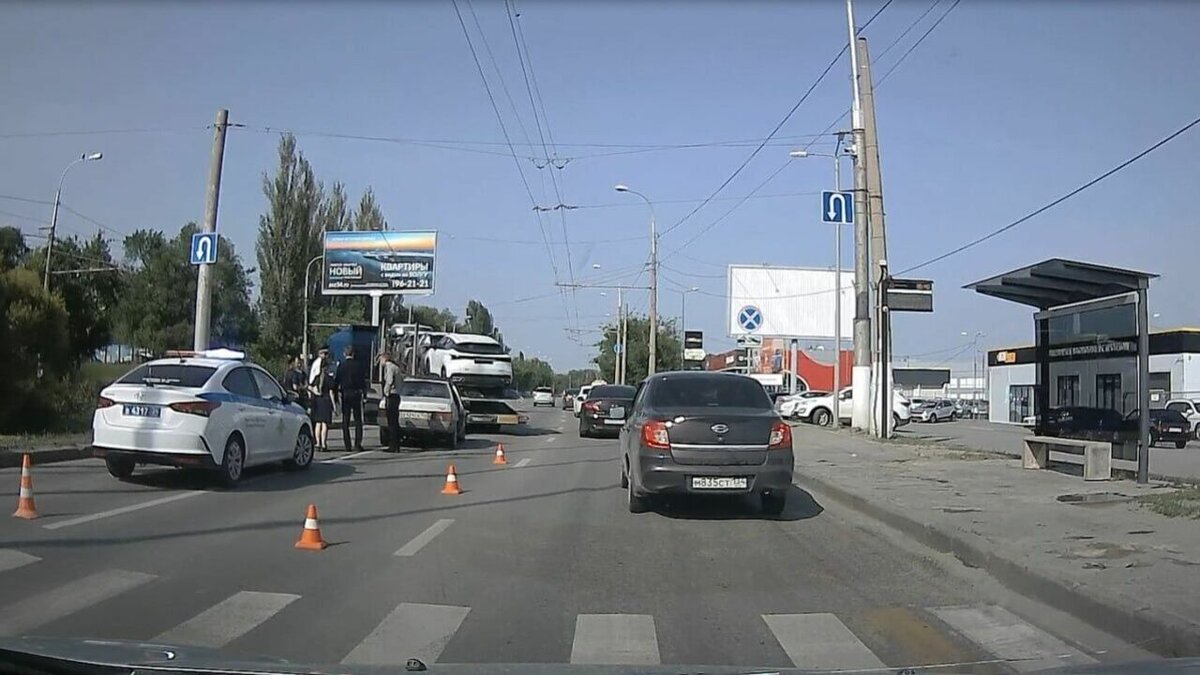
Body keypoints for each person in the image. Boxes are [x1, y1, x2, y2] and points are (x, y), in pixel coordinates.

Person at [334, 344, 368, 452]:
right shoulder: (359, 366)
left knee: (346, 420)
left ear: (345, 354)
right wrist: (364, 394)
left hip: (345, 394)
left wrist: (336, 396)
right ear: (353, 354)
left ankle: (347, 444)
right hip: (356, 393)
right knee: (358, 420)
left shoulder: (341, 366)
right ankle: (358, 443)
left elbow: (336, 382)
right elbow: (363, 382)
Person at [308, 351, 335, 451]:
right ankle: (324, 444)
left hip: (318, 401)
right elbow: (331, 393)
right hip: (326, 401)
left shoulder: (317, 377)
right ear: (326, 368)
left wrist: (315, 392)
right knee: (324, 424)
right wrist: (334, 406)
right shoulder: (329, 379)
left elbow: (310, 386)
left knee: (318, 423)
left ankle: (317, 443)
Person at [378, 351, 402, 453]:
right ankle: (396, 445)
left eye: (381, 359)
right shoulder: (396, 367)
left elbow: (389, 380)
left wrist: (386, 392)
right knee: (395, 422)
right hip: (397, 395)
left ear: (385, 358)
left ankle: (393, 446)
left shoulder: (389, 367)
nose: (380, 362)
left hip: (391, 396)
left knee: (391, 422)